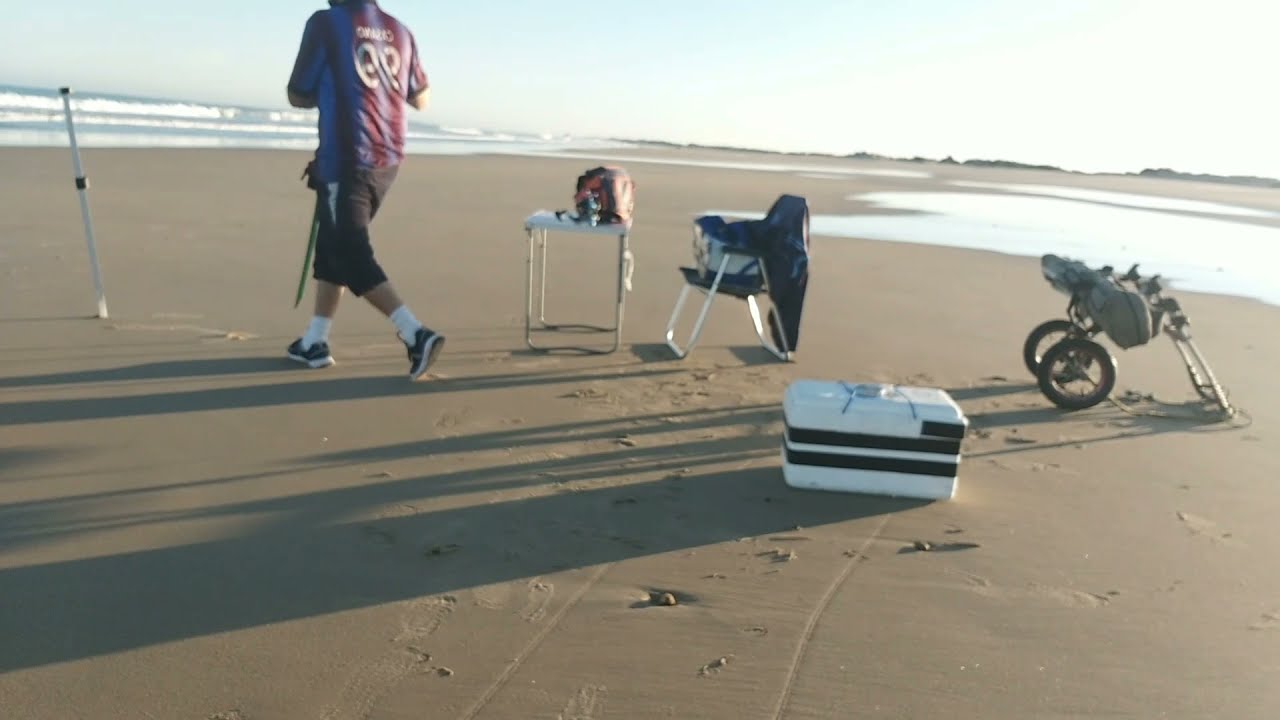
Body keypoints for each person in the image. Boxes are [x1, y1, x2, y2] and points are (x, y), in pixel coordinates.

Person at [284, 0, 444, 379]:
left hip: (347, 159)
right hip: (388, 160)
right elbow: (421, 97)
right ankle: (314, 341)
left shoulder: (325, 23)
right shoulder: (401, 31)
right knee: (333, 244)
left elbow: (297, 92)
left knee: (349, 250)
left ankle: (415, 333)